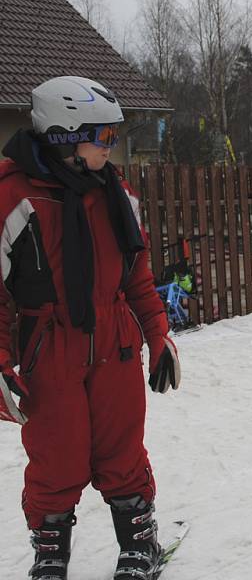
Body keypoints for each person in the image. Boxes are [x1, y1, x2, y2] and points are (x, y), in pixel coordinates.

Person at [0, 76, 180, 580]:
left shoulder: (116, 194)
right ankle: (51, 553)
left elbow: (138, 276)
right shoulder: (13, 197)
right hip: (48, 346)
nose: (111, 146)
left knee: (121, 448)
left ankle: (139, 543)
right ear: (63, 137)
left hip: (116, 342)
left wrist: (157, 334)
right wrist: (1, 365)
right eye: (102, 136)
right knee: (56, 456)